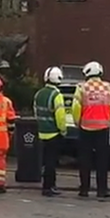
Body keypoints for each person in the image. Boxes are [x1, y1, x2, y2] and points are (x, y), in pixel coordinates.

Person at [71, 61, 110, 198]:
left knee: (85, 159)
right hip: (103, 128)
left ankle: (84, 189)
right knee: (102, 160)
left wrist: (77, 122)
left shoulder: (81, 87)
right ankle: (102, 190)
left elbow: (76, 107)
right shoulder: (109, 87)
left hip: (85, 128)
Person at [34, 66, 68, 196]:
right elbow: (60, 116)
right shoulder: (57, 95)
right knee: (51, 162)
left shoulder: (38, 94)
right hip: (53, 133)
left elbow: (36, 113)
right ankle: (49, 186)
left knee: (44, 161)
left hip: (41, 132)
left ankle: (45, 185)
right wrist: (63, 130)